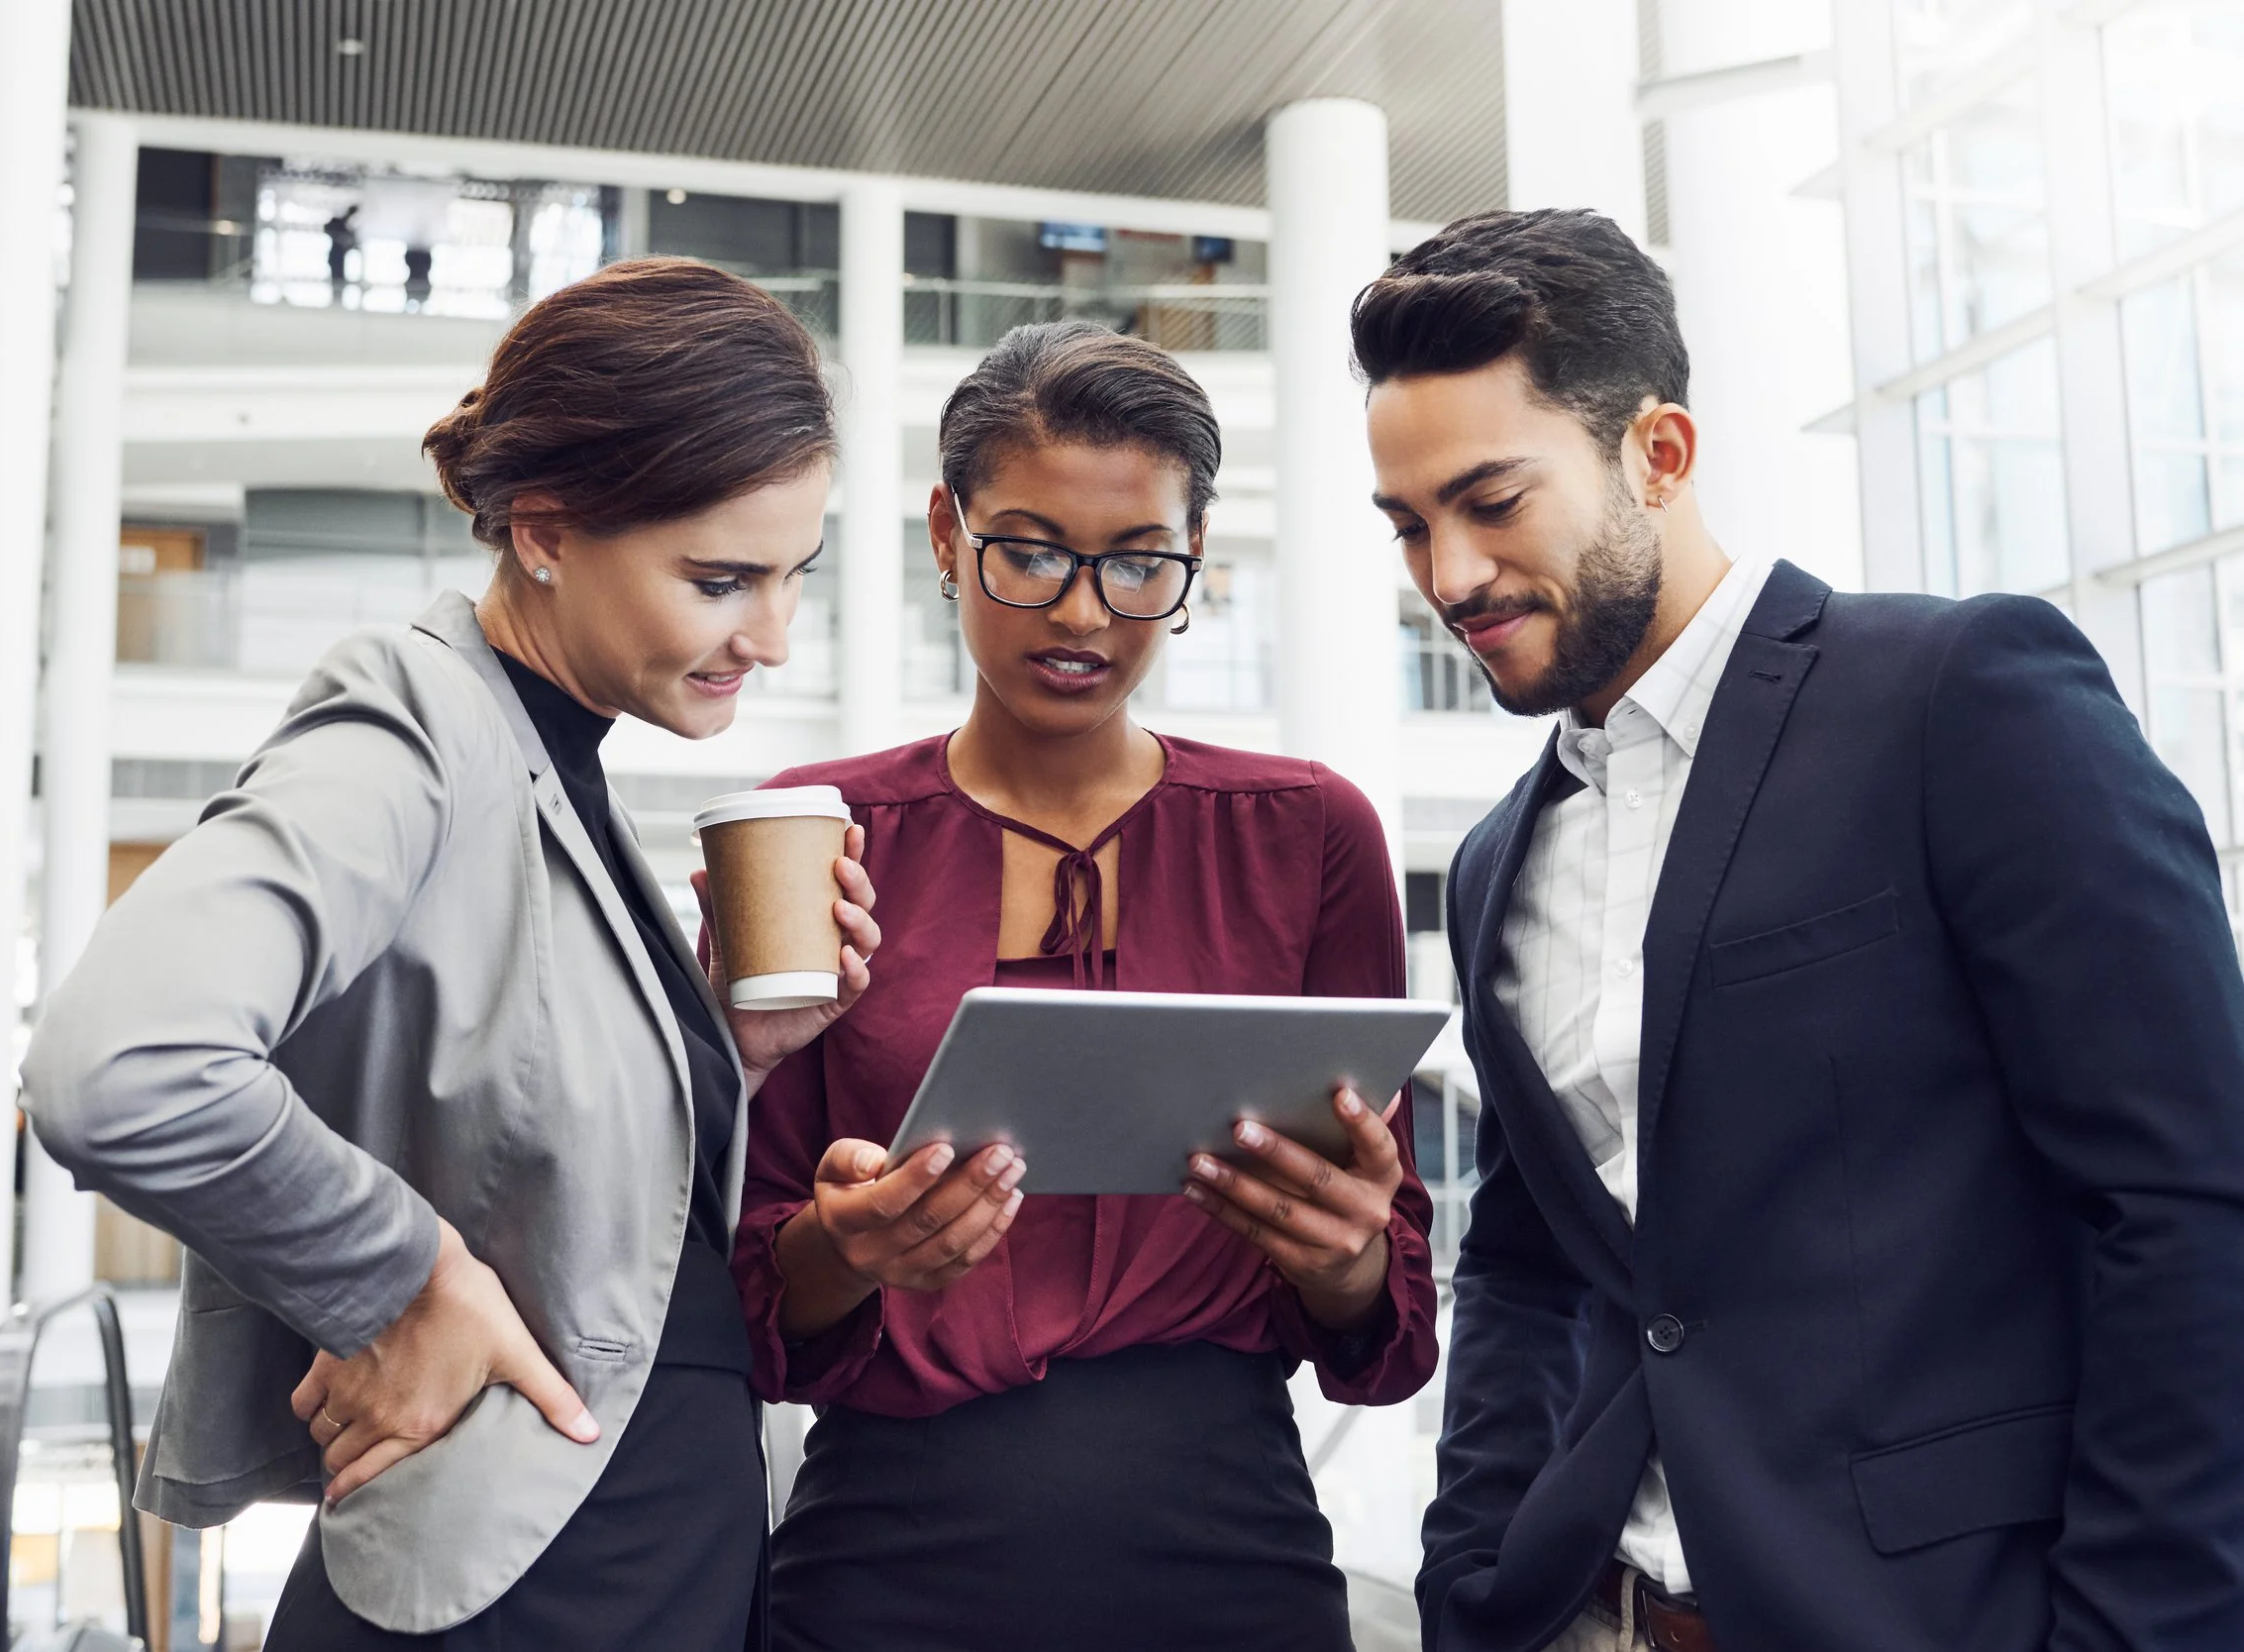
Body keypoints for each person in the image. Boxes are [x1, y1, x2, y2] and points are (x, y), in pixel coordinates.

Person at [1359, 208, 2244, 1652]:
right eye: (1409, 527)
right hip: (1599, 1613)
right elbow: (1525, 1265)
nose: (1448, 575)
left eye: (1492, 501)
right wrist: (1476, 1575)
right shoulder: (1493, 863)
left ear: (1659, 453)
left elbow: (2188, 1208)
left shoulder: (1961, 699)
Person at [23, 258, 875, 1649]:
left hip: (644, 1565)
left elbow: (560, 1192)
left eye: (793, 577)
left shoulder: (564, 766)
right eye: (721, 579)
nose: (771, 637)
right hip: (522, 1588)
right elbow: (116, 1066)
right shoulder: (414, 725)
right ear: (544, 530)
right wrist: (407, 1278)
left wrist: (731, 1046)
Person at [734, 320, 1439, 1652]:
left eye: (1137, 566)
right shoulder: (809, 836)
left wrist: (1347, 1260)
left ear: (1193, 568)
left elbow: (1387, 1319)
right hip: (886, 1554)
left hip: (1229, 1544)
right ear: (945, 535)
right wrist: (850, 1247)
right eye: (1030, 551)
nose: (1080, 612)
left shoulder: (1309, 834)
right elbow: (750, 1295)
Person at [324, 205, 359, 300]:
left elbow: (352, 243)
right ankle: (336, 298)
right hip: (336, 257)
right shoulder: (338, 223)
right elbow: (327, 228)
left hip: (340, 258)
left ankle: (338, 298)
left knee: (339, 278)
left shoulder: (347, 227)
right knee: (336, 278)